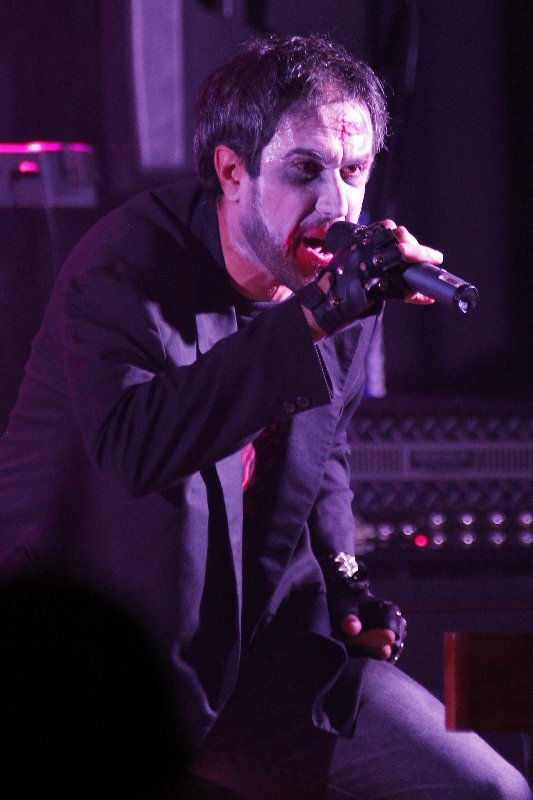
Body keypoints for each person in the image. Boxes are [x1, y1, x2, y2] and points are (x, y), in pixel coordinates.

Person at [0, 34, 529, 800]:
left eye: (353, 171)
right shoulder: (123, 270)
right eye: (305, 170)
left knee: (485, 789)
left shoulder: (335, 291)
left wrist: (345, 580)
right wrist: (315, 314)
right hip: (103, 661)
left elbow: (324, 454)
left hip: (261, 656)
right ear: (231, 171)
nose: (336, 204)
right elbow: (135, 447)